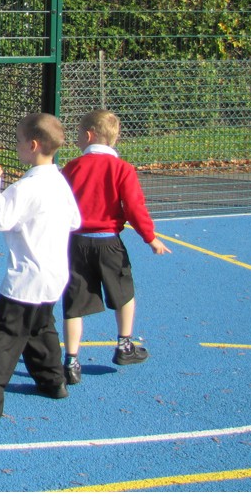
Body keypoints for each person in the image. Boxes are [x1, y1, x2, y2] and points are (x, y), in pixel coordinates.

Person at [0, 113, 82, 420]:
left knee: (4, 334)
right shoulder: (59, 183)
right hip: (54, 273)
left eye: (18, 141)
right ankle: (52, 380)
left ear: (32, 145)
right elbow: (75, 220)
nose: (16, 146)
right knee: (41, 328)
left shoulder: (27, 187)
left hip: (27, 276)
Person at [60, 109, 171, 384]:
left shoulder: (72, 167)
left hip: (76, 243)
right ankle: (124, 345)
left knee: (74, 302)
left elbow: (60, 203)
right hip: (109, 242)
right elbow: (135, 208)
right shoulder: (123, 169)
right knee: (124, 293)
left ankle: (71, 361)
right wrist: (151, 238)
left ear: (88, 136)